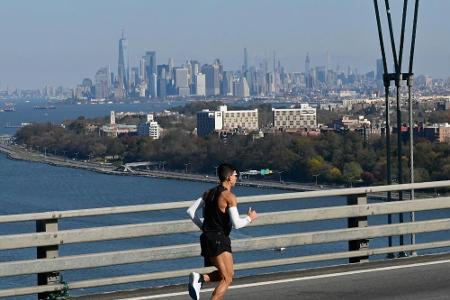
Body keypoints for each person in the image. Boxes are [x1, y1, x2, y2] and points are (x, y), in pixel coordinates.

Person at [186, 163, 257, 300]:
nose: (237, 178)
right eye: (236, 175)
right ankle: (199, 278)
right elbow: (237, 224)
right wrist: (250, 218)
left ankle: (200, 278)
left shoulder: (208, 193)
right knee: (227, 278)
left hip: (207, 238)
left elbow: (190, 211)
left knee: (226, 274)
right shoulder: (229, 196)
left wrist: (204, 228)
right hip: (219, 239)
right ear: (229, 177)